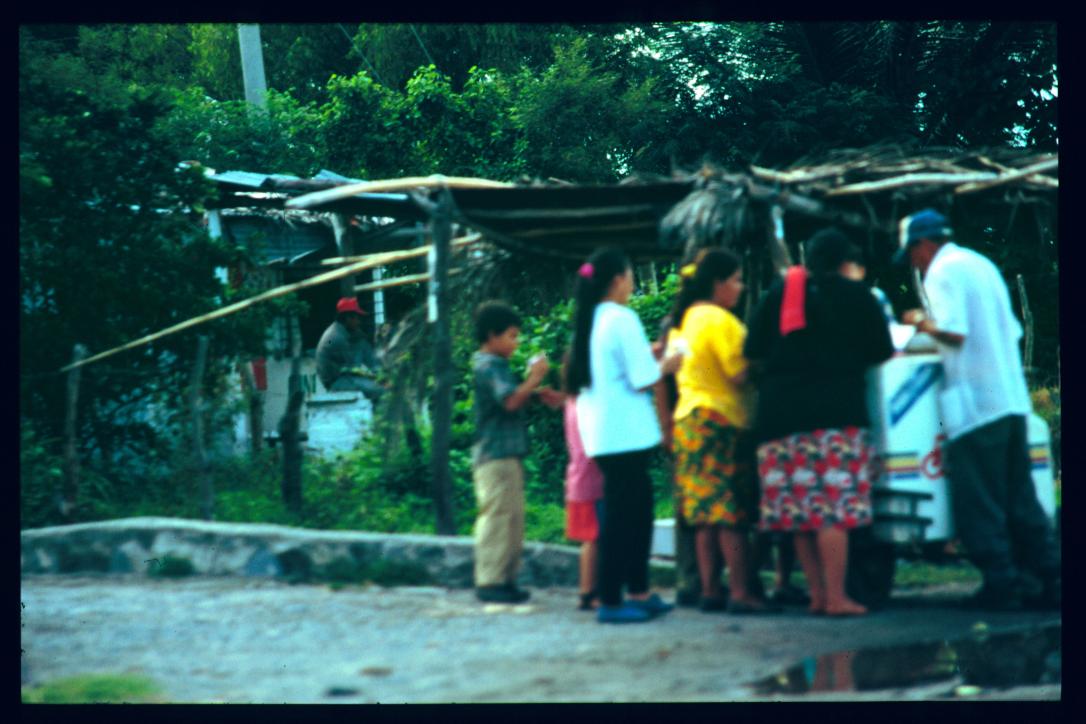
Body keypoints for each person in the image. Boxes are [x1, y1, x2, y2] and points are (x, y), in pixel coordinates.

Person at [896, 208, 1060, 611]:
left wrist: (920, 322)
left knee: (979, 500)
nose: (914, 263)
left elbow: (954, 332)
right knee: (1020, 497)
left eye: (913, 254)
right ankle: (1049, 577)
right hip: (1010, 399)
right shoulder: (980, 264)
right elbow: (1011, 329)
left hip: (975, 407)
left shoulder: (942, 272)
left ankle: (1001, 583)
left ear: (923, 244)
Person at [745, 228, 894, 616]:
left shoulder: (780, 293)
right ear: (845, 261)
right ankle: (837, 597)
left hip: (778, 417)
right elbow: (882, 350)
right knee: (834, 511)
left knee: (800, 511)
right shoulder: (857, 295)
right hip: (835, 416)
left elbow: (752, 349)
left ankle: (817, 595)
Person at [566, 247, 684, 624]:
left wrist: (651, 359)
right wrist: (669, 364)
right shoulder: (621, 318)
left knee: (635, 512)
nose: (632, 283)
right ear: (618, 279)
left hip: (605, 435)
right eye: (631, 275)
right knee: (624, 519)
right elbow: (643, 378)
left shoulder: (592, 320)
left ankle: (638, 590)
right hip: (625, 436)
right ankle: (612, 600)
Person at [667, 248, 776, 614]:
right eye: (736, 280)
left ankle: (711, 589)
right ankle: (742, 592)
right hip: (720, 418)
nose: (741, 288)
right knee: (730, 512)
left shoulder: (685, 320)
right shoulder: (719, 320)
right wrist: (763, 363)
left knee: (704, 514)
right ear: (718, 283)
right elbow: (738, 374)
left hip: (688, 419)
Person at [470, 300, 562, 604]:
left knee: (512, 519)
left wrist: (535, 395)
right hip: (494, 455)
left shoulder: (497, 365)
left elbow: (511, 398)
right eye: (511, 336)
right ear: (491, 335)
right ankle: (490, 580)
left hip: (507, 454)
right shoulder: (487, 365)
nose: (516, 343)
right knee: (498, 517)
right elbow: (509, 401)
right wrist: (534, 378)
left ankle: (506, 579)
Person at [560, 359, 605, 610]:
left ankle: (589, 590)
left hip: (580, 479)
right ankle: (588, 591)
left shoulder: (571, 401)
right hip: (590, 480)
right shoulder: (585, 404)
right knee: (593, 538)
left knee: (592, 538)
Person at [315, 297, 384, 402]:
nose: (359, 322)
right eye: (357, 318)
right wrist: (373, 378)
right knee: (381, 389)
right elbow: (354, 370)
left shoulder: (338, 330)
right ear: (348, 318)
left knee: (362, 343)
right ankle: (381, 373)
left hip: (340, 377)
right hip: (337, 383)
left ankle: (380, 372)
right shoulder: (337, 337)